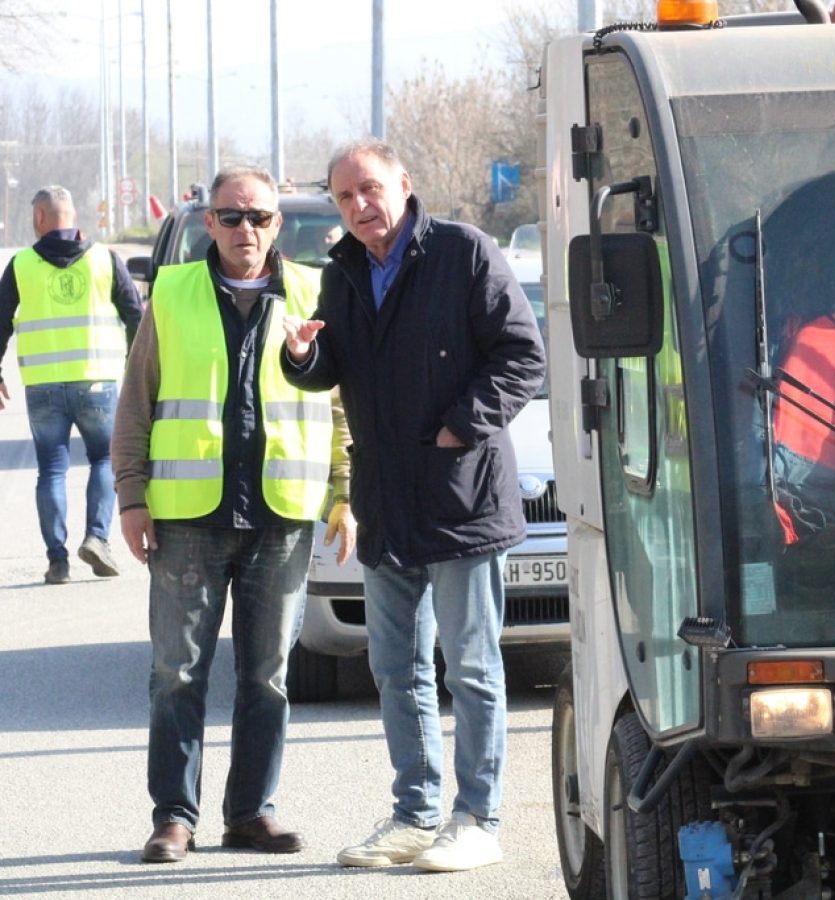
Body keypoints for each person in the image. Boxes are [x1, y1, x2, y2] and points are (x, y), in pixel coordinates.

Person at [279, 139, 545, 873]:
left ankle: (477, 817)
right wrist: (302, 355)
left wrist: (460, 425)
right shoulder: (345, 270)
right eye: (344, 197)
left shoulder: (463, 252)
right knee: (397, 668)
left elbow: (523, 355)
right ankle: (414, 814)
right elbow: (333, 368)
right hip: (386, 502)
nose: (359, 207)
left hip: (461, 497)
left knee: (472, 667)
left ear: (403, 183)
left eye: (369, 189)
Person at [110, 165, 356, 864]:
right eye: (229, 216)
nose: (244, 229)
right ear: (208, 222)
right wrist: (132, 497)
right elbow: (137, 404)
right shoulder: (174, 294)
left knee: (267, 674)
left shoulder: (314, 291)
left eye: (257, 216)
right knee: (176, 673)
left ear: (277, 223)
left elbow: (339, 410)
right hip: (188, 517)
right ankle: (174, 818)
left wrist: (345, 494)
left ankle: (251, 812)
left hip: (281, 516)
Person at [0, 185, 143, 584]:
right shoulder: (105, 260)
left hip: (43, 386)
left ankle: (57, 560)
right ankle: (97, 538)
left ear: (40, 217)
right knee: (104, 460)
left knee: (51, 470)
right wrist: (137, 369)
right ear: (73, 216)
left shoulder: (21, 265)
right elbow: (136, 317)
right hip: (98, 382)